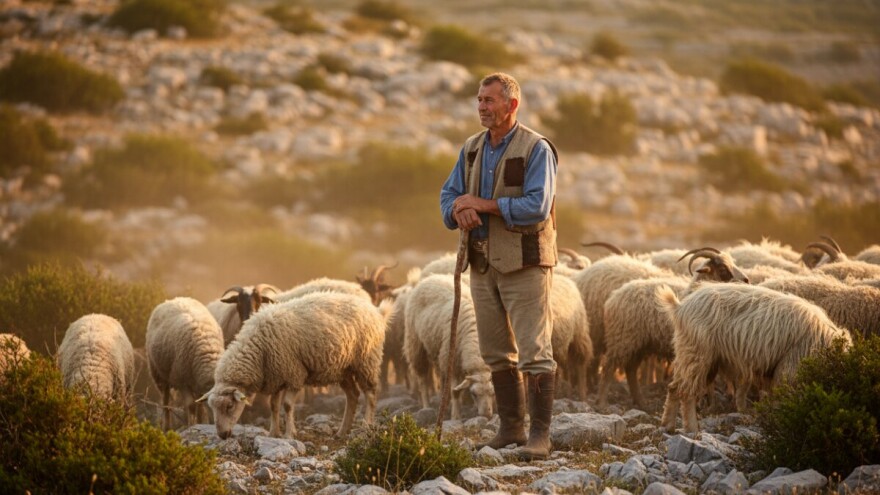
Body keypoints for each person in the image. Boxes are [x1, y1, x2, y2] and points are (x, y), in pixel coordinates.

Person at [440, 72, 559, 461]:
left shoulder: (536, 148)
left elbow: (537, 206)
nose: (481, 107)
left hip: (525, 261)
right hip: (482, 263)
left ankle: (540, 436)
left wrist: (484, 205)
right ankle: (511, 429)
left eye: (489, 101)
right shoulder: (472, 148)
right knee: (494, 352)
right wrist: (459, 210)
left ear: (512, 105)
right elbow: (450, 193)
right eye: (479, 100)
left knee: (534, 351)